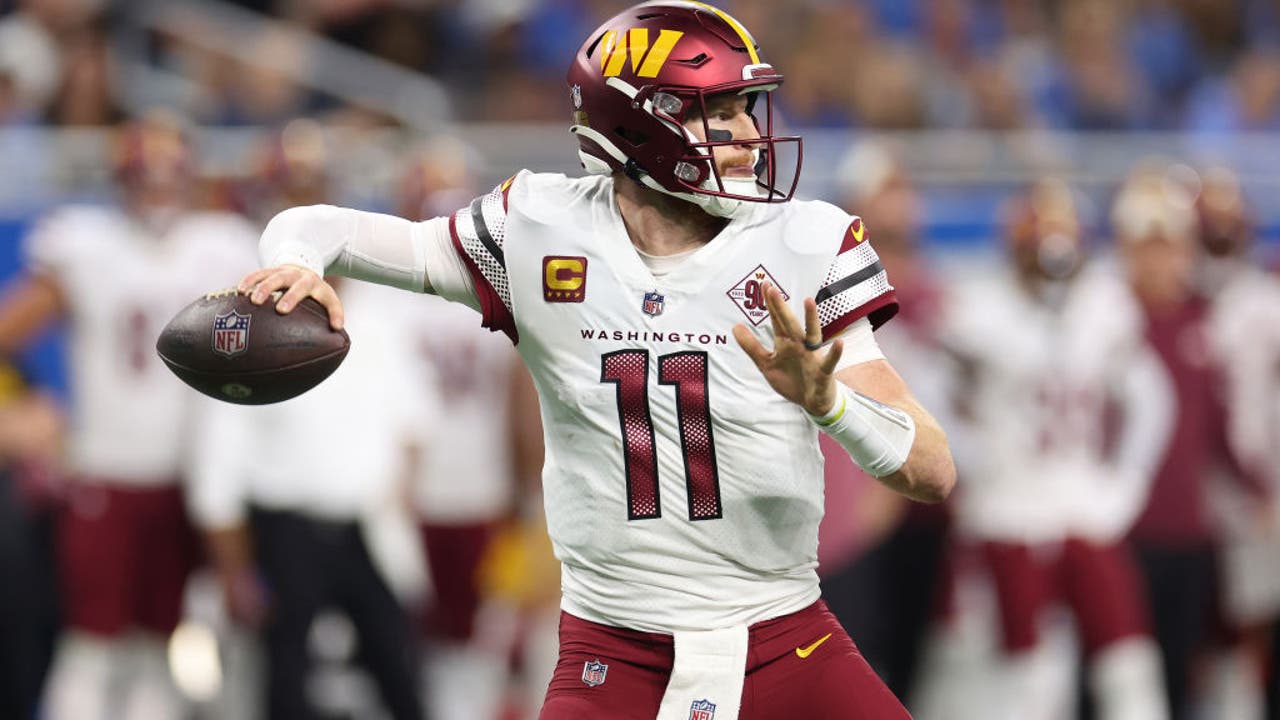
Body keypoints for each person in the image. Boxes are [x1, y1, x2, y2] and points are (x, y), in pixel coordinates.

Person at [238, 3, 955, 718]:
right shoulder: (537, 232)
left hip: (783, 640)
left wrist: (829, 404)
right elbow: (316, 226)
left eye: (747, 107)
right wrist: (296, 265)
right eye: (719, 112)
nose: (748, 135)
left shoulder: (804, 243)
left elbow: (930, 471)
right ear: (638, 123)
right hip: (614, 654)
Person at [0, 111, 259, 720]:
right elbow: (9, 329)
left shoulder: (220, 244)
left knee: (156, 647)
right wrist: (26, 408)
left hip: (184, 479)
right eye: (146, 175)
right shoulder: (85, 244)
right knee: (92, 648)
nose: (159, 189)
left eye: (171, 175)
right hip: (104, 474)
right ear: (122, 177)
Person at [939, 178, 1172, 720]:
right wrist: (971, 461)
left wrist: (1127, 482)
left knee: (1129, 671)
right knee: (1029, 682)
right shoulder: (980, 306)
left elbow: (1151, 398)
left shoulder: (1103, 304)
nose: (1053, 264)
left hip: (1083, 506)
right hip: (1012, 514)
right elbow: (930, 391)